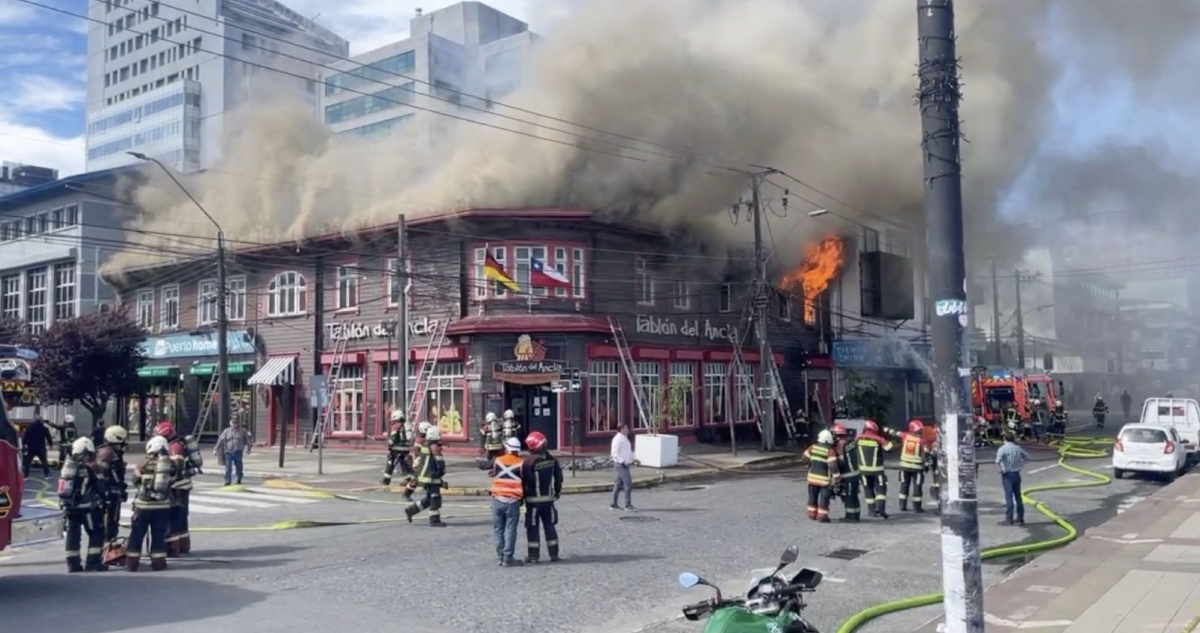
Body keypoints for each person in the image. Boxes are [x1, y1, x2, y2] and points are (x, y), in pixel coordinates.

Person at [126, 436, 174, 572]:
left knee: (136, 534)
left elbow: (135, 481)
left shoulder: (142, 464)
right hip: (162, 507)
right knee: (159, 535)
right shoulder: (169, 464)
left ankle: (131, 564)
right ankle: (159, 564)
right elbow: (174, 479)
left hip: (143, 507)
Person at [59, 437, 105, 573]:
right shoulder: (88, 469)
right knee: (96, 532)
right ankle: (93, 562)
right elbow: (99, 487)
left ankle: (73, 564)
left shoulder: (67, 467)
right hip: (87, 508)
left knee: (73, 535)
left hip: (69, 507)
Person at [155, 421, 197, 556]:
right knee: (181, 519)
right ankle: (183, 546)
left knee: (174, 519)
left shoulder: (175, 447)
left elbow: (177, 468)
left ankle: (173, 548)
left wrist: (168, 480)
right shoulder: (178, 444)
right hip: (182, 487)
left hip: (178, 488)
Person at [521, 431, 563, 563]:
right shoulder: (552, 460)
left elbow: (527, 482)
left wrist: (522, 497)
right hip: (548, 500)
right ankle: (554, 554)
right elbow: (559, 478)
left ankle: (533, 556)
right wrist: (557, 492)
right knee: (549, 526)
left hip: (533, 502)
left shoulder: (528, 463)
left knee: (532, 527)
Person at [489, 437, 525, 567]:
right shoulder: (521, 463)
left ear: (507, 448)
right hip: (513, 501)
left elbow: (493, 472)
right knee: (510, 529)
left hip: (497, 499)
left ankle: (500, 556)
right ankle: (508, 558)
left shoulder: (498, 461)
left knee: (498, 529)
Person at [94, 425, 129, 555]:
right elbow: (100, 475)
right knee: (109, 524)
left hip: (114, 493)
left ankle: (107, 549)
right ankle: (105, 551)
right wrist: (105, 494)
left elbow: (116, 475)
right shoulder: (107, 453)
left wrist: (122, 488)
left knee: (112, 523)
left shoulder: (113, 453)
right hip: (109, 495)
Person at [404, 426, 447, 527]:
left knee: (429, 498)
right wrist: (442, 470)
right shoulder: (433, 446)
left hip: (426, 476)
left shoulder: (426, 444)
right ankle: (434, 520)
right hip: (431, 476)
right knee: (435, 498)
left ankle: (411, 510)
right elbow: (439, 461)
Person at [856, 420, 899, 519]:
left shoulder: (858, 438)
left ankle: (871, 511)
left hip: (863, 471)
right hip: (877, 470)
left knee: (868, 489)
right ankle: (880, 508)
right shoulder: (879, 439)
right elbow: (890, 448)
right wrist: (895, 442)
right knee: (881, 489)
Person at [802, 429, 840, 523]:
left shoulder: (812, 447)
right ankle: (822, 516)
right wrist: (837, 477)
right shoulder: (830, 450)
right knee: (824, 498)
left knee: (812, 497)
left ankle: (812, 514)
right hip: (824, 481)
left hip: (812, 478)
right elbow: (833, 465)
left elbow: (804, 458)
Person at [996, 431, 1030, 526]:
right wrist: (1021, 464)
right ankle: (1020, 518)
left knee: (1009, 497)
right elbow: (1027, 457)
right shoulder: (1017, 448)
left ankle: (1009, 518)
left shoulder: (1002, 449)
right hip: (1016, 473)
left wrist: (1001, 469)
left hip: (1007, 474)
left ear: (1004, 439)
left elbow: (998, 460)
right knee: (1018, 497)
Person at [830, 424, 861, 522]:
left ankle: (850, 517)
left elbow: (842, 461)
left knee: (848, 496)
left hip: (848, 475)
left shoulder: (840, 443)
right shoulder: (851, 441)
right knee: (854, 495)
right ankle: (856, 515)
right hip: (856, 473)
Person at [897, 420, 929, 513]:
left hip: (904, 467)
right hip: (917, 468)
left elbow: (896, 433)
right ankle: (917, 507)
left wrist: (886, 430)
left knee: (904, 485)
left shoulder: (905, 436)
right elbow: (926, 453)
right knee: (917, 487)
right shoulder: (922, 440)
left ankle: (902, 505)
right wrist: (926, 464)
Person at [214, 419, 253, 486]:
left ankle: (239, 478)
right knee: (228, 467)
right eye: (233, 423)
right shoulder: (226, 431)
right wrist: (215, 449)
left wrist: (249, 449)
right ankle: (228, 480)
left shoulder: (242, 431)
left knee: (239, 466)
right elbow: (220, 440)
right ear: (230, 423)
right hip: (228, 451)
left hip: (238, 451)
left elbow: (247, 440)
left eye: (236, 423)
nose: (234, 424)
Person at [402, 421, 433, 502]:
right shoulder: (420, 441)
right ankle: (406, 494)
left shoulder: (421, 439)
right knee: (417, 480)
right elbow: (418, 453)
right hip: (418, 463)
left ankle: (430, 495)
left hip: (422, 462)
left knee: (429, 478)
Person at [381, 411, 412, 486]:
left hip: (396, 449)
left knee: (390, 463)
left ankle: (386, 480)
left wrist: (389, 444)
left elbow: (393, 438)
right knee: (404, 464)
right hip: (405, 449)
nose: (393, 422)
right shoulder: (406, 425)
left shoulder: (396, 426)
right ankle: (408, 478)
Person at [610, 423, 635, 511]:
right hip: (621, 464)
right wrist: (623, 461)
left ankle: (613, 504)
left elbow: (626, 451)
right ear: (621, 429)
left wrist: (631, 458)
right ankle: (627, 505)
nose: (628, 429)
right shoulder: (618, 439)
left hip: (625, 463)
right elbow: (614, 453)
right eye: (626, 428)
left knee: (618, 484)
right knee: (627, 483)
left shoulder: (624, 438)